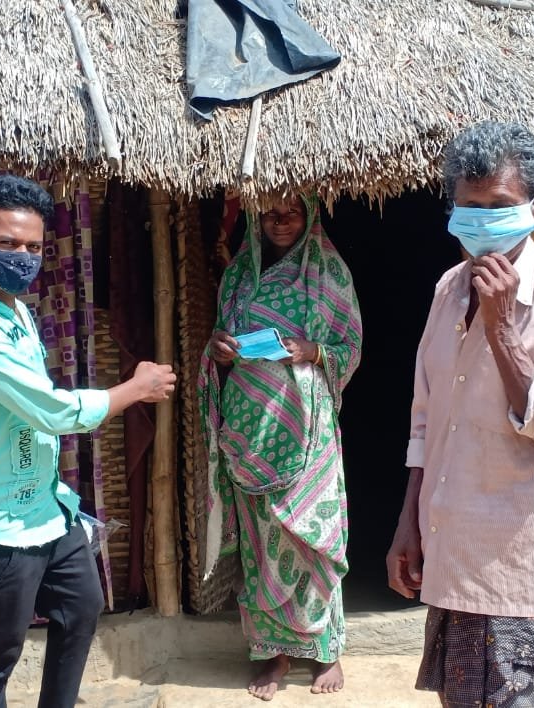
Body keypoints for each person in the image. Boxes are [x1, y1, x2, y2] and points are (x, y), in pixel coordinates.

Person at [386, 122, 534, 708]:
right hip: (450, 548)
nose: (483, 221)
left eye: (500, 206)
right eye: (470, 206)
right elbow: (426, 419)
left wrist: (503, 329)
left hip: (516, 562)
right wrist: (409, 521)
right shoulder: (447, 290)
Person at [0, 175, 176, 708]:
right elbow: (51, 409)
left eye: (33, 247)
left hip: (44, 504)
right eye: (6, 243)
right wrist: (135, 389)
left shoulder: (13, 309)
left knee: (81, 606)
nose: (22, 258)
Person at [199, 195, 362, 701]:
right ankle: (273, 654)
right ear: (254, 217)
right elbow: (218, 345)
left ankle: (325, 650)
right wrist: (219, 349)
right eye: (269, 212)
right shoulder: (237, 277)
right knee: (261, 541)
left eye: (291, 211)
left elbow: (351, 348)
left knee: (312, 533)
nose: (280, 221)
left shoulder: (329, 274)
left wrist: (313, 351)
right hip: (249, 431)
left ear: (309, 213)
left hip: (306, 429)